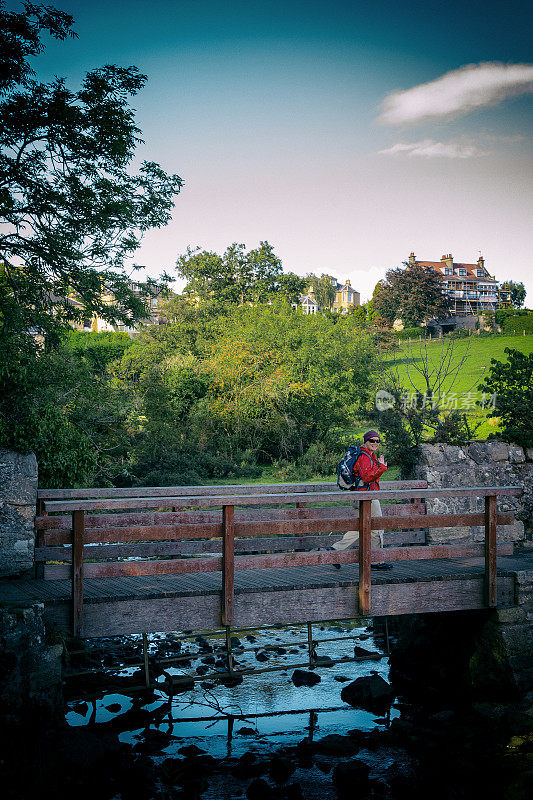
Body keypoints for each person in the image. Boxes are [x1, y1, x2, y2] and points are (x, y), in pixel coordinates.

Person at [332, 430, 388, 551]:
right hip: (367, 497)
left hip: (360, 496)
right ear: (365, 441)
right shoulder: (364, 456)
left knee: (360, 527)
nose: (375, 443)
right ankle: (376, 560)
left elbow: (367, 476)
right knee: (377, 527)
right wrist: (381, 468)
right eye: (372, 440)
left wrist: (378, 467)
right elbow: (367, 477)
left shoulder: (368, 455)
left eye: (377, 441)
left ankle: (335, 550)